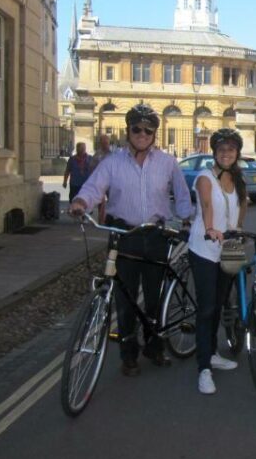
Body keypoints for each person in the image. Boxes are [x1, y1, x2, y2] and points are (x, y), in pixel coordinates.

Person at [69, 104, 193, 377]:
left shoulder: (168, 163)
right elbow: (93, 187)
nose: (142, 134)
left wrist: (186, 219)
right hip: (124, 235)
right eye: (137, 128)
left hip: (156, 235)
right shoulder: (112, 163)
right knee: (124, 300)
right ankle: (129, 354)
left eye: (148, 130)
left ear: (154, 134)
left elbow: (182, 195)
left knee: (154, 297)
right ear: (128, 131)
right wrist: (80, 202)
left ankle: (155, 346)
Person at [188, 128, 246, 395]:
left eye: (231, 150)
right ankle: (203, 369)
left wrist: (239, 231)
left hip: (228, 250)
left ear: (236, 153)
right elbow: (207, 204)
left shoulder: (237, 180)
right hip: (205, 249)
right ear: (215, 153)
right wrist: (210, 228)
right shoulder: (204, 177)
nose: (226, 154)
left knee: (220, 303)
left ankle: (211, 353)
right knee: (207, 308)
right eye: (222, 150)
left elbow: (240, 208)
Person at [91, 134, 113, 224]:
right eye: (103, 143)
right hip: (101, 181)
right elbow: (92, 167)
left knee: (113, 200)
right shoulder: (97, 155)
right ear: (100, 144)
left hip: (112, 182)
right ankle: (101, 220)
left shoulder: (114, 154)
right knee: (101, 202)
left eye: (106, 143)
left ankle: (112, 219)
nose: (105, 145)